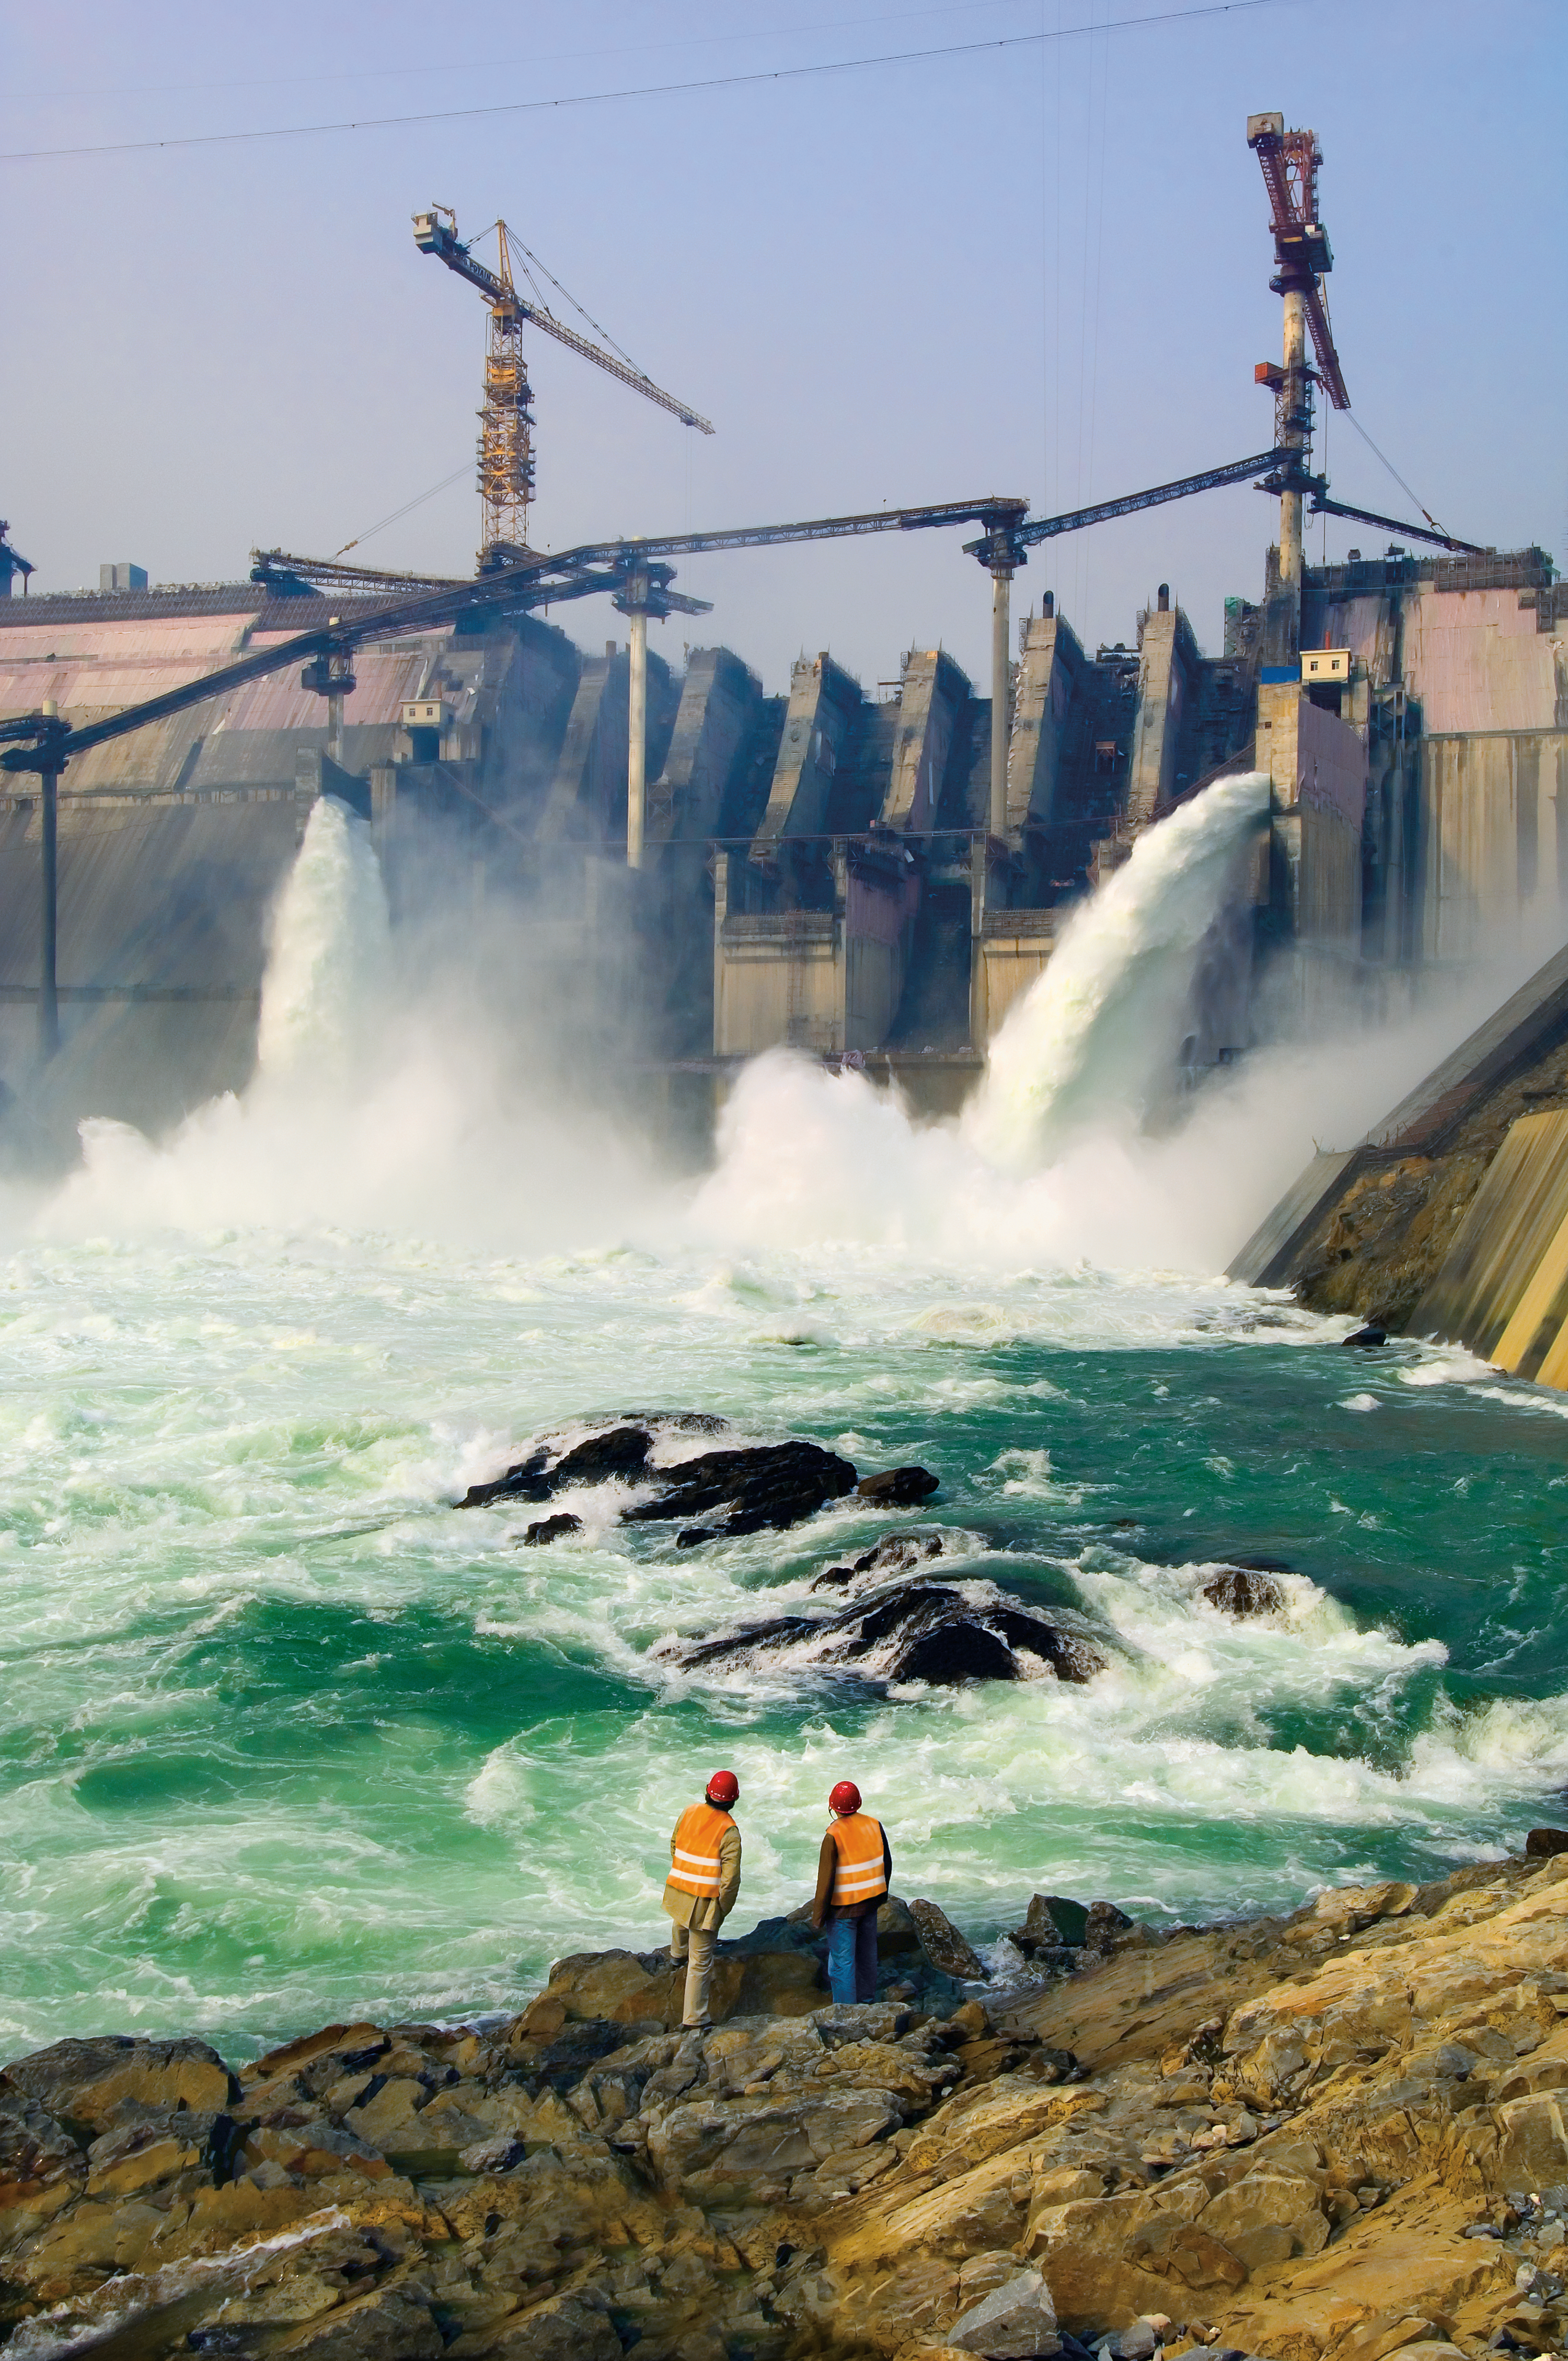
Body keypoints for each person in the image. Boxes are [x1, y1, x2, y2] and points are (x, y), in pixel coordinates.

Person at [663, 1769, 742, 2031]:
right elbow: (730, 1880)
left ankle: (676, 1955)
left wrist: (685, 1871)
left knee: (680, 1918)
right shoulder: (730, 1831)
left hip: (678, 1888)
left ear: (708, 1791)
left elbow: (674, 1844)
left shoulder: (689, 1812)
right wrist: (722, 1909)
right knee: (700, 1962)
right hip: (705, 1901)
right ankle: (695, 2019)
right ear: (733, 1800)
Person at [811, 1779, 892, 2005]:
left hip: (843, 1911)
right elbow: (887, 1863)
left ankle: (846, 2014)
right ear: (859, 1803)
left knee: (842, 1964)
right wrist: (882, 1895)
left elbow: (826, 1880)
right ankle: (866, 2003)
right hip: (871, 1903)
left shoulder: (833, 1834)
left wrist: (818, 1918)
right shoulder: (875, 1825)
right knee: (867, 1958)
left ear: (833, 1807)